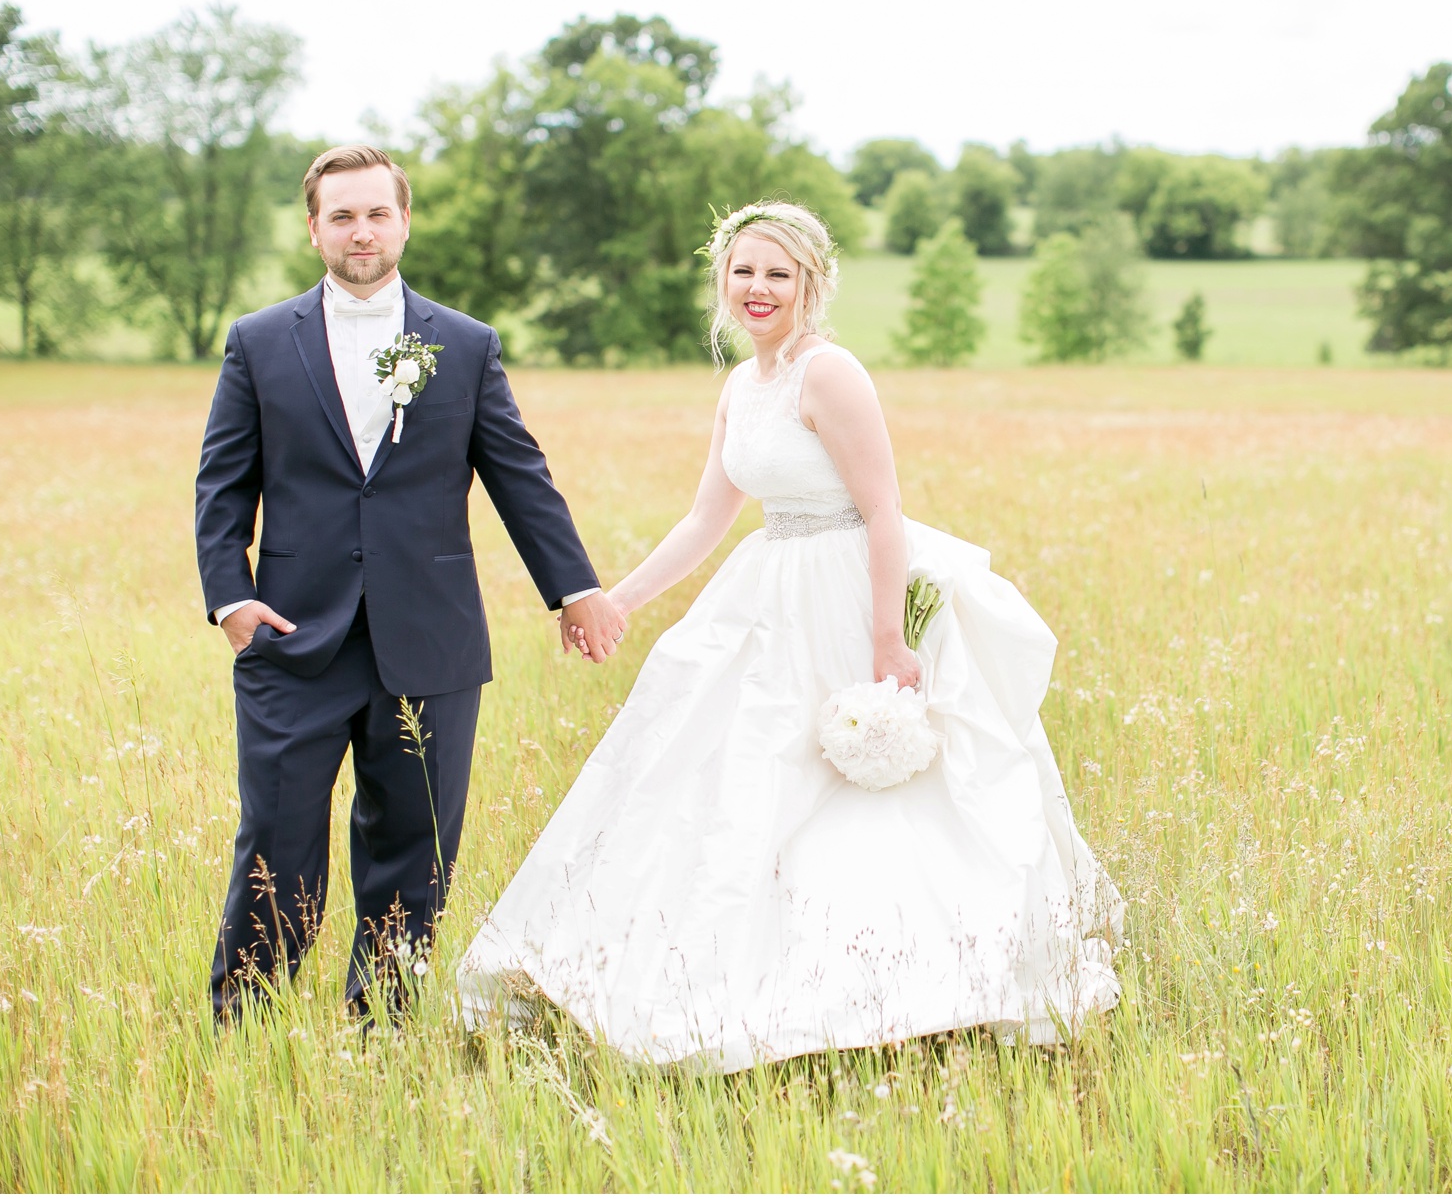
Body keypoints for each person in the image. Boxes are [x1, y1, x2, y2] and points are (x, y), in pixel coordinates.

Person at [456, 202, 1121, 1071]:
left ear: (813, 283)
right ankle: (730, 970)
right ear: (722, 282)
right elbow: (706, 518)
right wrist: (615, 599)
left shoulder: (830, 373)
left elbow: (883, 510)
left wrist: (889, 640)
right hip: (768, 586)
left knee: (862, 789)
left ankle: (916, 982)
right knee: (726, 771)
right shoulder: (742, 384)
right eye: (744, 272)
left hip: (849, 588)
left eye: (779, 274)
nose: (758, 289)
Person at [194, 145, 627, 1020]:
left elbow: (519, 473)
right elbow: (222, 481)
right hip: (291, 638)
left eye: (377, 213)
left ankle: (382, 1029)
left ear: (404, 221)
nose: (362, 230)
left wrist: (575, 589)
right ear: (314, 227)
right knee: (275, 843)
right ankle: (245, 1026)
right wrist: (232, 600)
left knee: (413, 848)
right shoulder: (257, 341)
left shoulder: (463, 345)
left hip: (429, 640)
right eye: (342, 215)